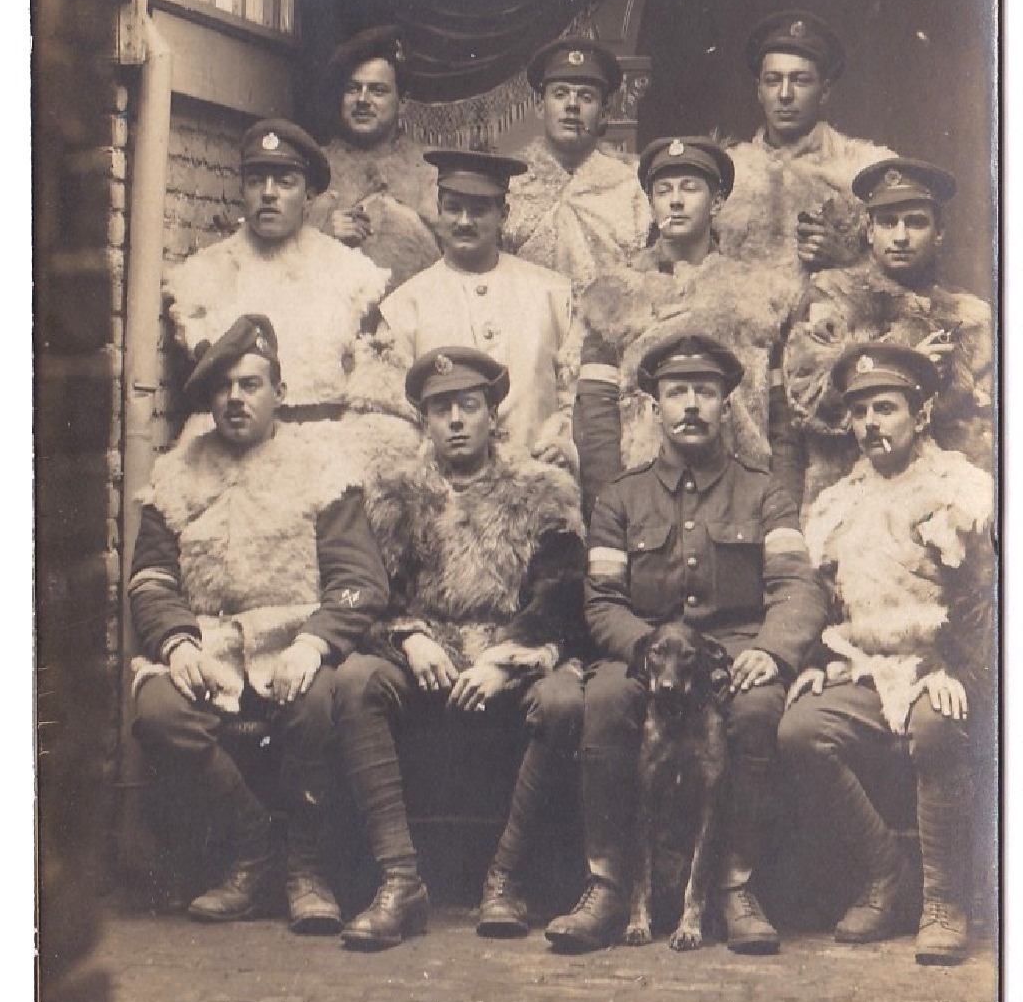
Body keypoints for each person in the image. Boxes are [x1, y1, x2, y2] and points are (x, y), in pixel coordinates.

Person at [545, 333, 826, 955]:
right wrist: (649, 650)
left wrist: (772, 652)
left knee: (757, 710)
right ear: (654, 408)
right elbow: (602, 600)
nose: (692, 405)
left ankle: (736, 886)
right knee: (606, 701)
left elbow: (796, 589)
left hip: (732, 653)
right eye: (677, 392)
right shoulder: (622, 497)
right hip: (647, 655)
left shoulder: (763, 491)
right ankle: (608, 884)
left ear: (728, 405)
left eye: (706, 391)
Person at [129, 315, 390, 933]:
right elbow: (151, 580)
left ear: (280, 392)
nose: (236, 399)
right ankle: (255, 850)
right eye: (223, 388)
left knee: (317, 700)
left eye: (251, 384)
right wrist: (176, 641)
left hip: (292, 640)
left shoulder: (321, 469)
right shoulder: (177, 473)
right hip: (210, 643)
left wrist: (316, 641)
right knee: (160, 710)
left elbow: (360, 580)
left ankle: (305, 867)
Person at [331, 347, 586, 948]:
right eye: (441, 408)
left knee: (564, 703)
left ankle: (505, 878)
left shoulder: (542, 492)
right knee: (355, 682)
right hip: (428, 662)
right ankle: (400, 881)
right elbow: (371, 592)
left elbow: (563, 596)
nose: (455, 420)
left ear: (492, 415)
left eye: (468, 406)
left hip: (511, 658)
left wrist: (505, 660)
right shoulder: (393, 495)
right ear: (424, 420)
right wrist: (410, 638)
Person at [778, 345, 993, 966]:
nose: (872, 424)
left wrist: (956, 669)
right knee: (800, 730)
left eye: (887, 408)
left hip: (946, 664)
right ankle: (887, 874)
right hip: (867, 667)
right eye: (861, 411)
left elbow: (986, 596)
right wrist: (819, 658)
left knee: (935, 724)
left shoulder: (960, 488)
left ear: (920, 414)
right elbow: (823, 599)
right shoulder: (838, 502)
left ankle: (945, 900)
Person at [571, 136, 792, 517]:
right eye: (663, 190)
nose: (675, 201)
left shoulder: (761, 294)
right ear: (651, 203)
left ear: (717, 203)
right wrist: (610, 509)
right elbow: (597, 419)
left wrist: (781, 506)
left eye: (689, 188)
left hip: (741, 498)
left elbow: (783, 422)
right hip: (645, 498)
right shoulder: (614, 297)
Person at [781, 157, 993, 511]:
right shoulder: (832, 297)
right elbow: (807, 397)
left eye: (915, 223)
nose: (900, 236)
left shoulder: (971, 319)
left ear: (939, 233)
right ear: (868, 231)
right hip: (847, 500)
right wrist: (906, 362)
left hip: (944, 507)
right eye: (887, 222)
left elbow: (992, 429)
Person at [165, 118, 389, 420]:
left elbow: (372, 390)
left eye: (285, 182)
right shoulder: (203, 275)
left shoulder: (350, 275)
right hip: (231, 452)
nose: (269, 194)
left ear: (308, 193)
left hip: (321, 447)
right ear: (242, 188)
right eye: (257, 180)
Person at [377, 148, 574, 458]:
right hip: (447, 492)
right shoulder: (404, 306)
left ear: (503, 215)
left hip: (539, 481)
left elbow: (575, 395)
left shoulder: (553, 293)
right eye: (454, 208)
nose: (464, 222)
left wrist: (564, 443)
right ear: (439, 210)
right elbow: (392, 414)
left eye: (479, 210)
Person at [715, 11, 894, 301]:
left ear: (824, 91)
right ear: (759, 91)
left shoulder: (865, 169)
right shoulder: (726, 170)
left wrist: (849, 261)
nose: (785, 94)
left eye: (800, 80)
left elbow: (909, 274)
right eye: (773, 80)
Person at [500, 39, 650, 290]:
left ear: (603, 113)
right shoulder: (510, 182)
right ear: (540, 107)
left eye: (586, 97)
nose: (572, 105)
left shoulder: (632, 188)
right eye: (560, 94)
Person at [306, 25, 441, 290]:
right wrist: (321, 238)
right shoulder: (310, 169)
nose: (363, 100)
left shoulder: (431, 173)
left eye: (378, 90)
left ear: (403, 103)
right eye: (353, 89)